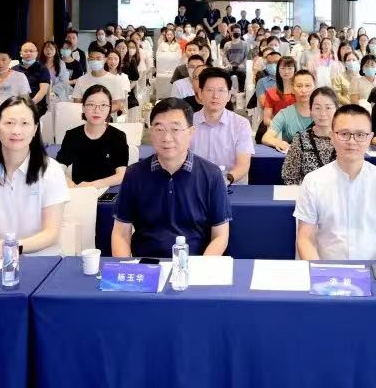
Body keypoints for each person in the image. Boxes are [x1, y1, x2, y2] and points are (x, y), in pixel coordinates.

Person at [112, 98, 231, 257]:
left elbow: (220, 236)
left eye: (175, 129)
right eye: (159, 129)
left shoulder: (211, 175)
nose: (167, 138)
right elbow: (120, 233)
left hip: (193, 263)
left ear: (191, 132)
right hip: (146, 264)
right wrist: (126, 267)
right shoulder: (134, 174)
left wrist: (200, 267)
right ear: (151, 132)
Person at [0, 96, 69, 258]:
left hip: (41, 260)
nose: (16, 130)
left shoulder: (51, 171)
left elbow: (51, 233)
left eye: (25, 123)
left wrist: (9, 248)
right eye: (9, 123)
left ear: (35, 129)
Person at [294, 104, 376, 260]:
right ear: (332, 137)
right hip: (326, 269)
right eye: (344, 134)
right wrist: (320, 271)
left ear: (370, 138)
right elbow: (305, 239)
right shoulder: (313, 181)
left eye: (360, 135)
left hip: (373, 270)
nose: (352, 141)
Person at [189, 67, 255, 185]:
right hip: (195, 186)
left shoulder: (241, 124)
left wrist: (226, 180)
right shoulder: (188, 123)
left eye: (221, 90)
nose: (215, 96)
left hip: (231, 187)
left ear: (229, 95)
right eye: (210, 90)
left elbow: (243, 164)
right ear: (200, 93)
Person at [56, 86, 128, 189]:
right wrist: (68, 182)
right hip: (79, 192)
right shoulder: (72, 135)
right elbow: (58, 167)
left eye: (103, 105)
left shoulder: (118, 136)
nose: (97, 110)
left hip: (107, 192)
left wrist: (91, 185)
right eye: (91, 104)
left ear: (109, 108)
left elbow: (121, 175)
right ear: (83, 107)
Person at [281, 87, 338, 185]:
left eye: (328, 108)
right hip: (307, 193)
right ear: (310, 110)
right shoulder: (301, 139)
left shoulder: (345, 138)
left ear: (337, 110)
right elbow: (289, 176)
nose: (323, 113)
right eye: (317, 108)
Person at [262, 69, 317, 152]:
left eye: (308, 86)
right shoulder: (284, 114)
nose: (304, 90)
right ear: (292, 89)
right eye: (299, 86)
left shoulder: (324, 112)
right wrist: (278, 142)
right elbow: (266, 138)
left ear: (314, 88)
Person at [70, 48, 127, 113]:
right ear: (88, 60)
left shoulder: (114, 80)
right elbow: (77, 103)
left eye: (98, 58)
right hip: (87, 116)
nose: (95, 61)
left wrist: (101, 113)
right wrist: (90, 113)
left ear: (105, 60)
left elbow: (118, 104)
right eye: (92, 59)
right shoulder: (81, 80)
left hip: (107, 116)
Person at [14, 42, 51, 117]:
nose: (28, 53)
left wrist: (30, 104)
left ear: (36, 53)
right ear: (20, 53)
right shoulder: (14, 69)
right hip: (17, 103)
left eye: (31, 51)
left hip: (36, 104)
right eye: (25, 51)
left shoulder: (42, 69)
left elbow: (43, 91)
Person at [40, 40, 72, 104]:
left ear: (55, 51)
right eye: (46, 48)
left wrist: (51, 90)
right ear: (43, 50)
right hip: (42, 94)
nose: (48, 50)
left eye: (51, 48)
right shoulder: (38, 64)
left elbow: (64, 81)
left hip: (57, 95)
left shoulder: (61, 64)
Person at [104, 49, 134, 116]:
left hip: (118, 110)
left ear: (119, 60)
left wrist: (125, 112)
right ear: (106, 60)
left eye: (115, 59)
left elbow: (125, 98)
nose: (113, 61)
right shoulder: (101, 76)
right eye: (110, 58)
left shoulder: (124, 77)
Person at [221, 25, 250, 92]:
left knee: (242, 74)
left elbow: (247, 56)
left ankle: (241, 91)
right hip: (230, 67)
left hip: (240, 67)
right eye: (235, 31)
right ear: (231, 33)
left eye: (238, 31)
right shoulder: (227, 44)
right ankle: (227, 91)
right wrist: (227, 64)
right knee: (224, 74)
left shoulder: (245, 44)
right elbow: (224, 56)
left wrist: (243, 64)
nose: (237, 33)